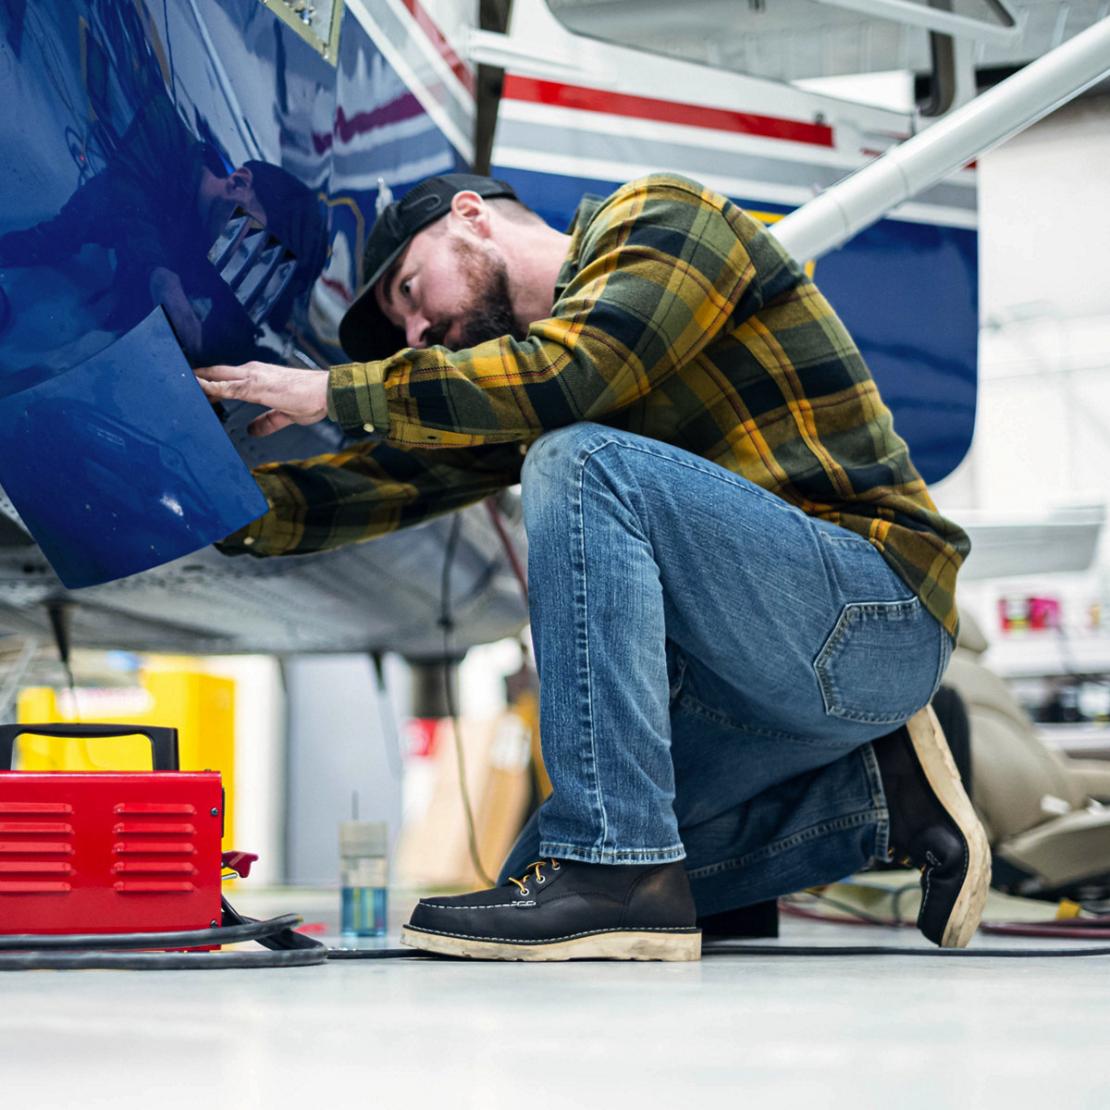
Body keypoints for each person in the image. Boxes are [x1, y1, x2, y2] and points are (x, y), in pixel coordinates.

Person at [196, 172, 989, 962]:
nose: (416, 330)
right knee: (536, 875)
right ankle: (877, 794)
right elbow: (390, 480)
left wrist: (334, 390)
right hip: (748, 679)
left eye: (410, 288)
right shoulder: (524, 385)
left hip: (872, 618)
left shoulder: (663, 219)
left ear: (469, 217)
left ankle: (615, 871)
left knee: (580, 460)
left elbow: (575, 373)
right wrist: (194, 502)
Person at [0, 92, 327, 366]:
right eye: (247, 247)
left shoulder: (212, 262)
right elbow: (120, 193)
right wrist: (161, 276)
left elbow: (231, 333)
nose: (239, 267)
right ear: (238, 183)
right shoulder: (168, 131)